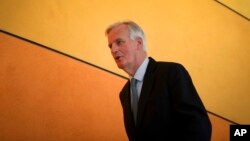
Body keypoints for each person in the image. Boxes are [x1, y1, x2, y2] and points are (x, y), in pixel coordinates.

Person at [105, 20, 212, 141]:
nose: (113, 50)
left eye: (119, 42)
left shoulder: (171, 73)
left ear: (138, 43)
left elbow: (198, 126)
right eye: (110, 46)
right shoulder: (124, 94)